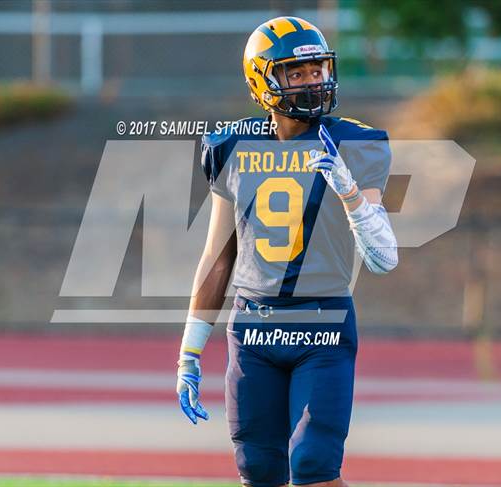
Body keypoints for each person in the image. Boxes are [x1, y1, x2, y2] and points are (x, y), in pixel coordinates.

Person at [176, 16, 398, 487]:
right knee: (258, 471)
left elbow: (383, 258)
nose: (312, 82)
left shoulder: (353, 143)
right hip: (252, 330)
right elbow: (218, 256)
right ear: (262, 81)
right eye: (296, 73)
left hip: (323, 326)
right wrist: (189, 351)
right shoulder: (232, 146)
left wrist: (351, 194)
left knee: (314, 464)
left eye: (318, 70)